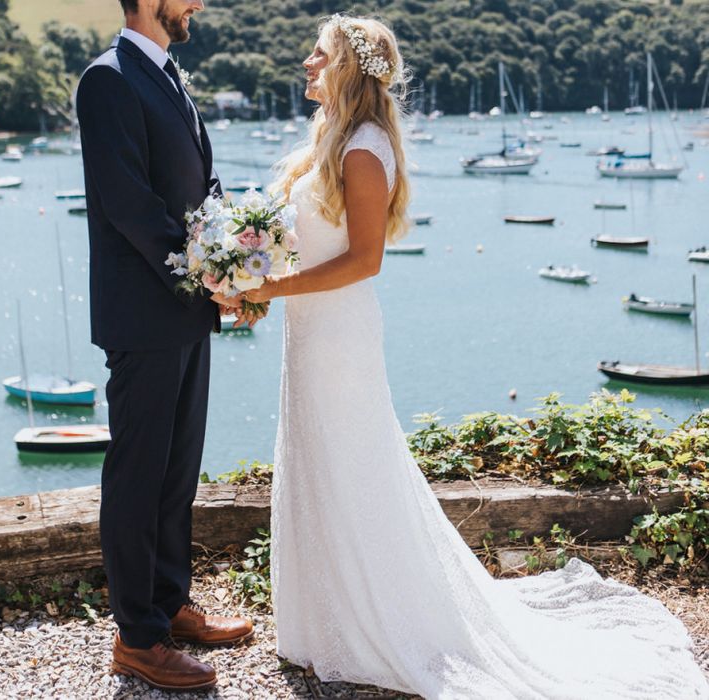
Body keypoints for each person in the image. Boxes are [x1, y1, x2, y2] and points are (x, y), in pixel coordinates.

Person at [243, 14, 709, 699]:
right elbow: (310, 240)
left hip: (339, 337)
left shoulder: (364, 150)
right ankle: (326, 621)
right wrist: (252, 278)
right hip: (309, 331)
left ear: (346, 66)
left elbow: (364, 260)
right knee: (318, 461)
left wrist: (272, 287)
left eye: (318, 54)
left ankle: (378, 620)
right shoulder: (329, 138)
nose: (306, 63)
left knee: (350, 462)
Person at [76, 0, 252, 691]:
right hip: (144, 315)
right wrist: (205, 273)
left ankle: (170, 603)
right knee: (138, 474)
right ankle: (137, 638)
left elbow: (201, 185)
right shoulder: (107, 79)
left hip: (186, 310)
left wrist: (234, 257)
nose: (197, 5)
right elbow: (128, 204)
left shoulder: (170, 75)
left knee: (177, 471)